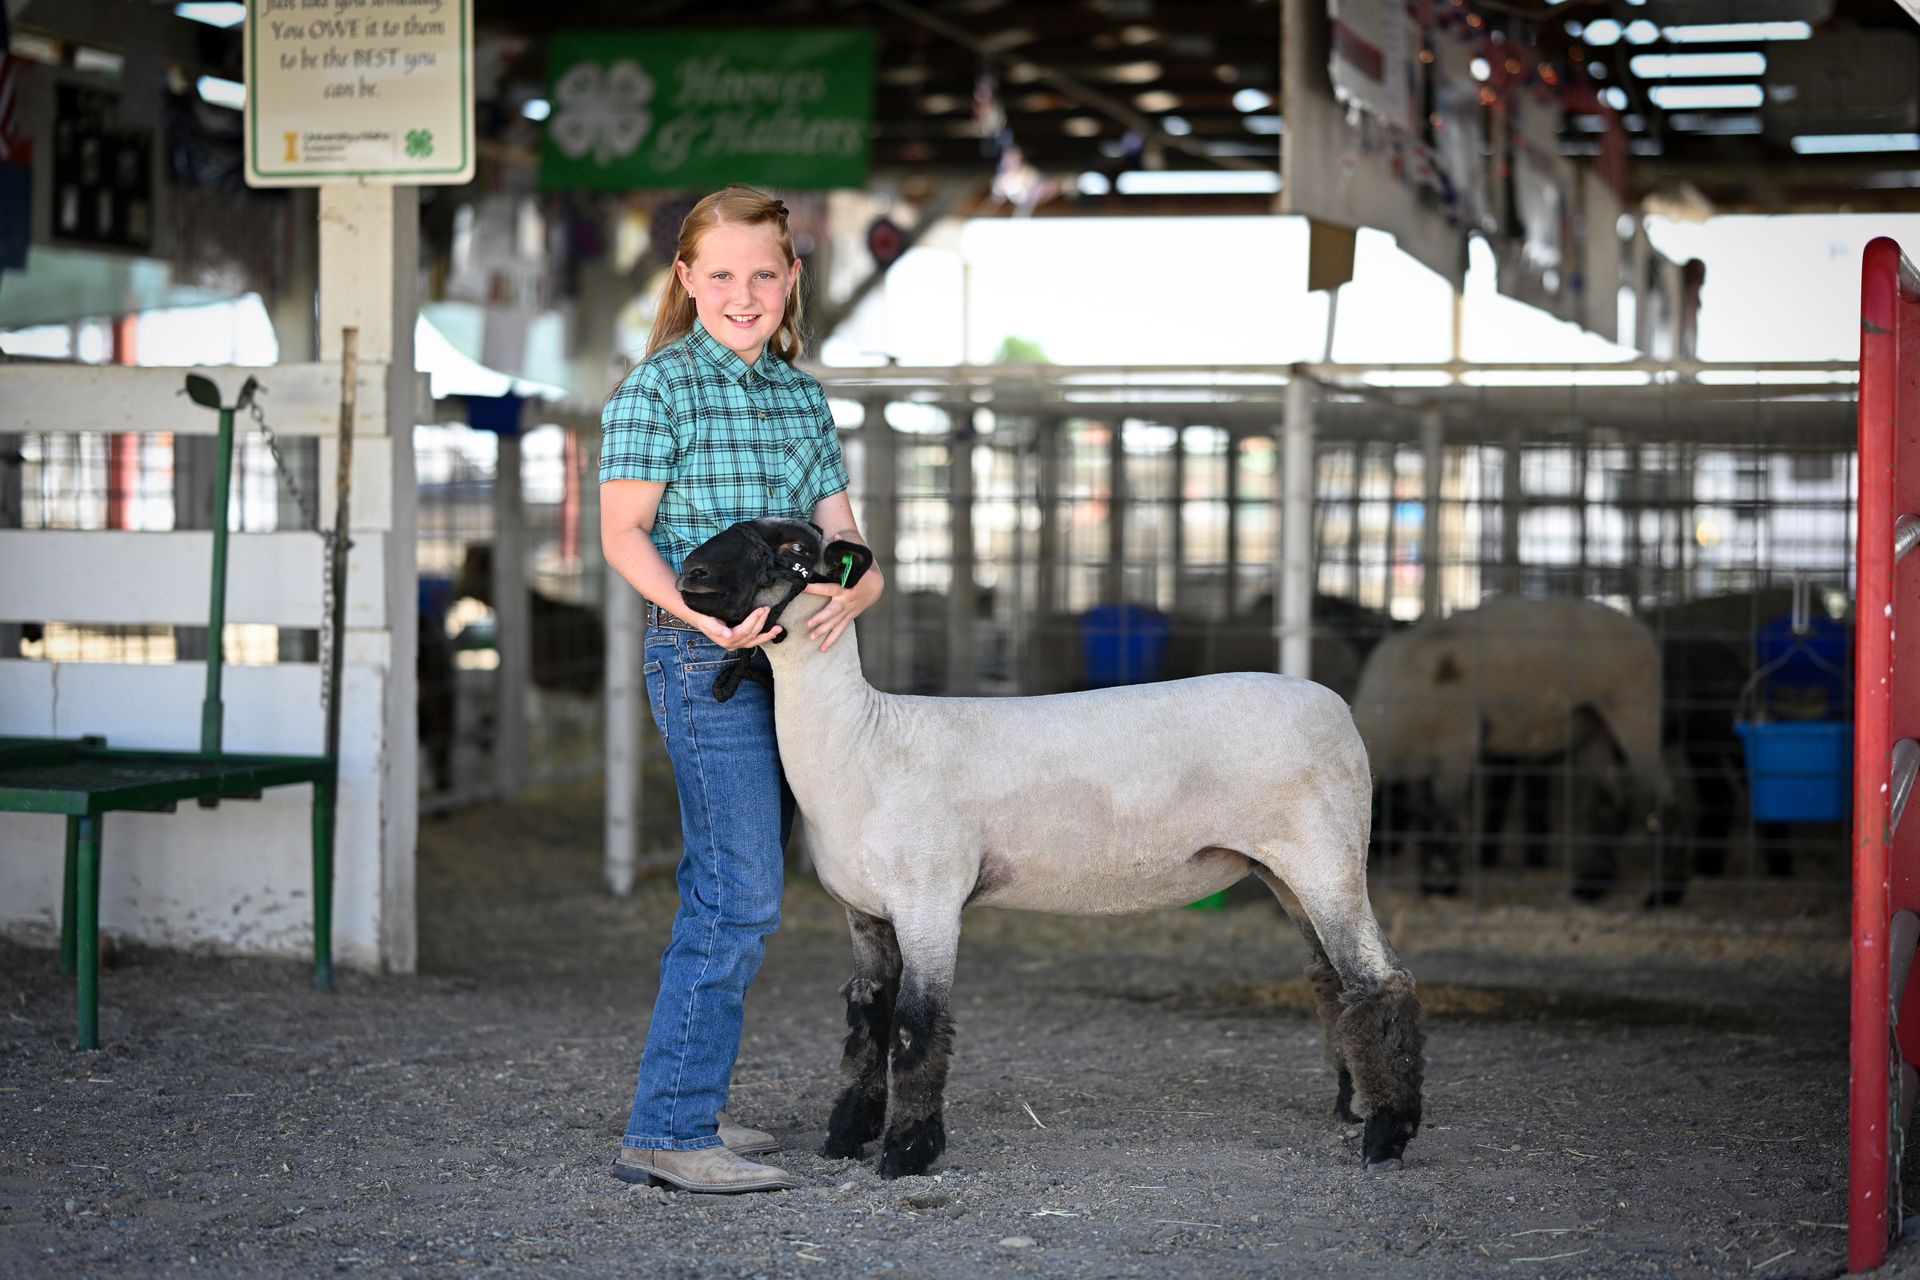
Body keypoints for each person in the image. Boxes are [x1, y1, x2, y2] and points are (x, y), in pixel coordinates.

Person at [598, 185, 884, 1194]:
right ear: (685, 280)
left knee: (742, 886)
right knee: (738, 892)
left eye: (763, 272)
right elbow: (623, 532)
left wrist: (862, 578)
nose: (743, 292)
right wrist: (697, 611)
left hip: (802, 667)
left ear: (793, 277)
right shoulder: (657, 391)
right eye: (719, 273)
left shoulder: (802, 399)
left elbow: (842, 536)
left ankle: (689, 1097)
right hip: (705, 658)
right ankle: (670, 1129)